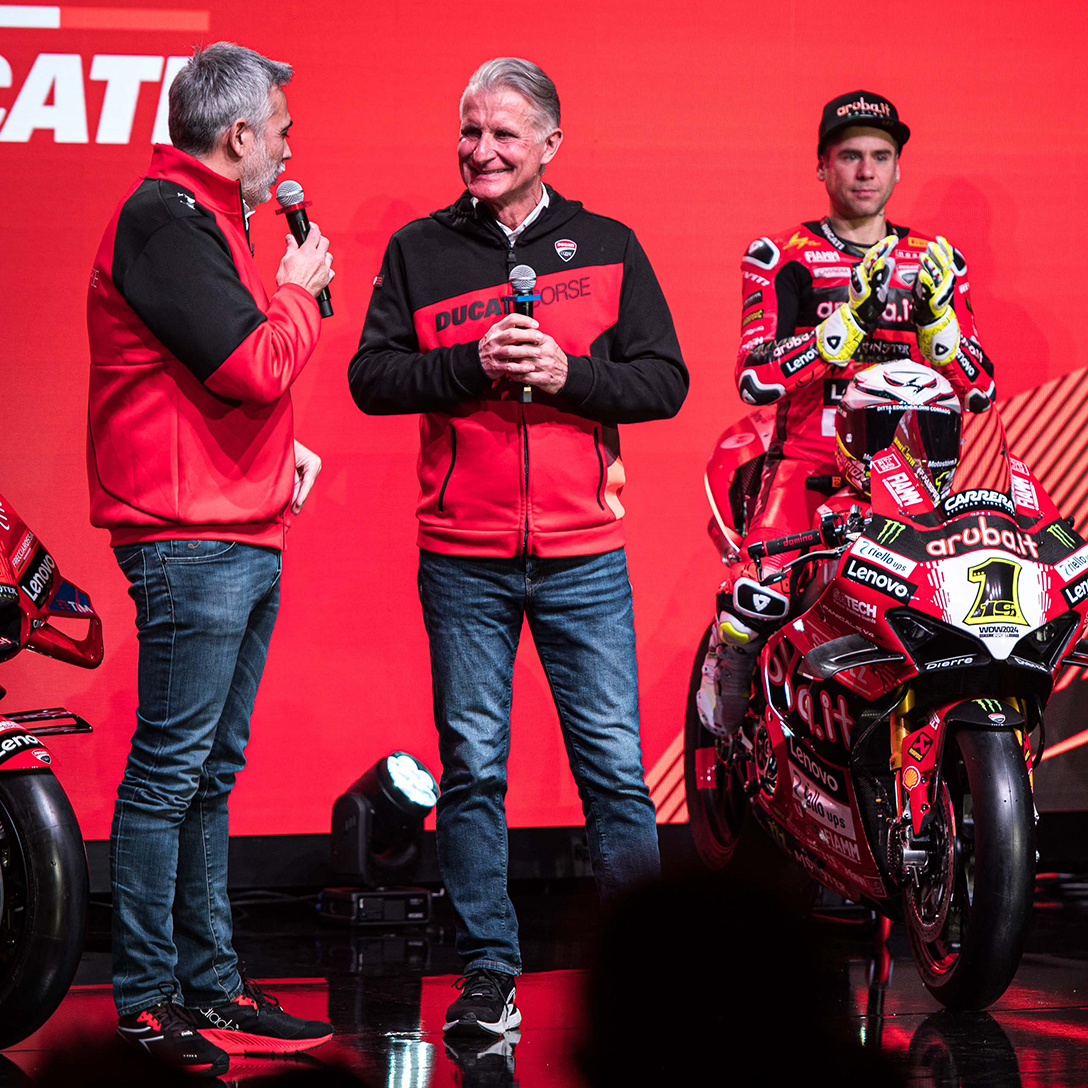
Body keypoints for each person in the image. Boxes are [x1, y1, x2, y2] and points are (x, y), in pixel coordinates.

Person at [348, 57, 687, 1036]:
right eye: (468, 132)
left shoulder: (610, 244)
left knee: (614, 769)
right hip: (462, 552)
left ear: (548, 143)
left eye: (501, 134)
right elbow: (372, 376)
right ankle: (487, 974)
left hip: (585, 551)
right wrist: (467, 363)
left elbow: (663, 381)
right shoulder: (418, 249)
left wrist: (569, 372)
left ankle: (646, 978)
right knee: (473, 768)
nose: (480, 151)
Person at [86, 42, 335, 1075]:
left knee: (207, 772)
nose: (286, 144)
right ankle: (147, 1000)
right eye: (278, 127)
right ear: (237, 136)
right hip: (190, 536)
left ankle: (211, 982)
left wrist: (285, 452)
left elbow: (214, 382)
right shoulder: (163, 216)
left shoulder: (198, 218)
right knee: (168, 773)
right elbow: (251, 364)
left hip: (232, 524)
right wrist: (295, 290)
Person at [697, 90, 997, 739]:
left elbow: (978, 393)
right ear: (823, 167)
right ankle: (729, 698)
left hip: (918, 476)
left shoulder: (938, 259)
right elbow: (754, 377)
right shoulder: (781, 255)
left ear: (897, 169)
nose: (865, 170)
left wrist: (941, 329)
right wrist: (846, 326)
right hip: (807, 461)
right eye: (850, 156)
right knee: (758, 598)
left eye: (880, 157)